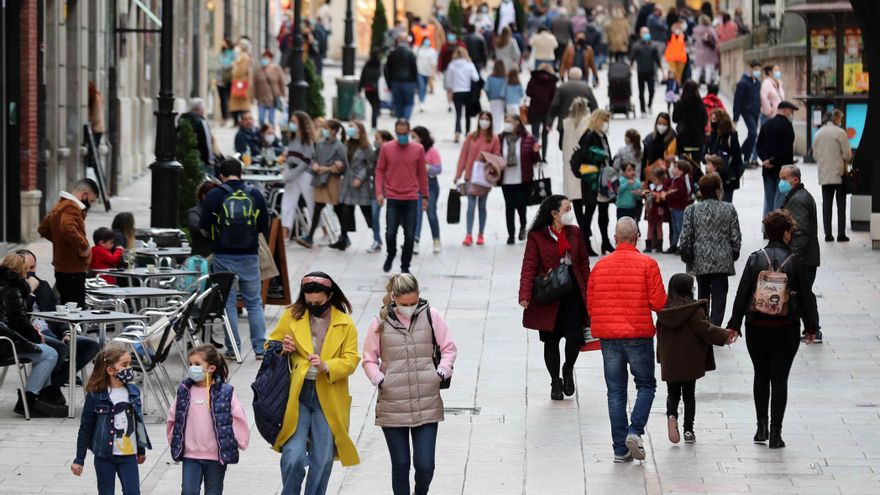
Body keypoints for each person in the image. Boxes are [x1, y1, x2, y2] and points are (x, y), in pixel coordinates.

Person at [726, 210, 819, 449]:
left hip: (756, 326)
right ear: (786, 233)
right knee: (779, 380)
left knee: (760, 374)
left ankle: (761, 427)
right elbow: (808, 298)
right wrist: (811, 327)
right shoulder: (795, 261)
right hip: (786, 327)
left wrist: (734, 324)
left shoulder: (756, 259)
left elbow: (742, 293)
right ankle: (776, 434)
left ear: (768, 232)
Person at [362, 273, 457, 495]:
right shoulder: (379, 322)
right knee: (401, 465)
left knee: (425, 466)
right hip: (393, 404)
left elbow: (449, 348)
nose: (409, 307)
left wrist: (442, 371)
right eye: (404, 304)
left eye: (413, 303)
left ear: (419, 295)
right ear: (393, 297)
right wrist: (378, 378)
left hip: (427, 401)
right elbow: (368, 358)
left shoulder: (432, 316)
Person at [266, 272, 360, 494]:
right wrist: (283, 349)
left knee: (323, 458)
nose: (314, 305)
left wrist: (327, 365)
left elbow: (352, 360)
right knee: (293, 455)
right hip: (296, 394)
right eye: (309, 302)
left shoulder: (344, 324)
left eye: (318, 302)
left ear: (329, 296)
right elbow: (271, 344)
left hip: (328, 395)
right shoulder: (292, 315)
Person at [588, 217, 666, 462]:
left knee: (615, 392)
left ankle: (619, 449)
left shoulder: (600, 266)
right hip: (638, 335)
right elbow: (659, 303)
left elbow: (591, 304)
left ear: (614, 239)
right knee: (646, 385)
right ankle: (635, 431)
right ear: (638, 237)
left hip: (609, 338)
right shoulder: (648, 264)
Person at [519, 195, 591, 400]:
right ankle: (555, 381)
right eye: (567, 209)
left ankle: (568, 369)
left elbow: (584, 264)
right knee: (551, 341)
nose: (570, 212)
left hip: (573, 293)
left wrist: (591, 290)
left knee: (576, 337)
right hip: (549, 294)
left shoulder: (575, 233)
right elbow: (529, 266)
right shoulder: (536, 237)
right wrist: (524, 294)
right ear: (554, 213)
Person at [200, 158, 270, 359]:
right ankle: (259, 348)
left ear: (221, 175)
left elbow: (205, 224)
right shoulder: (254, 194)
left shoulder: (214, 195)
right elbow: (264, 224)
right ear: (241, 173)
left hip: (223, 255)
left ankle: (233, 349)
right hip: (249, 254)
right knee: (254, 302)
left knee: (228, 303)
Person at [657, 273, 737, 444]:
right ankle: (688, 430)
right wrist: (724, 336)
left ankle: (672, 416)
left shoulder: (664, 310)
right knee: (689, 395)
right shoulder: (693, 309)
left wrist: (661, 357)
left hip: (670, 361)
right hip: (689, 361)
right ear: (688, 289)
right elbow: (705, 330)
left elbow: (660, 335)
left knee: (672, 394)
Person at [17, 249, 101, 407]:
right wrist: (29, 292)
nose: (30, 272)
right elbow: (19, 317)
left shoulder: (43, 285)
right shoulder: (14, 289)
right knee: (61, 349)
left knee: (91, 346)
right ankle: (48, 392)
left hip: (52, 332)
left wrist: (66, 331)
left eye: (33, 267)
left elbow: (56, 313)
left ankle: (50, 389)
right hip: (31, 335)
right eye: (26, 269)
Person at [166, 344, 249, 495]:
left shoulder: (225, 392)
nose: (192, 368)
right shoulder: (185, 391)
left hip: (216, 457)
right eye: (190, 364)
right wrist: (174, 440)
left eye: (197, 364)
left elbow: (239, 417)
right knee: (188, 491)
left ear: (211, 368)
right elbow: (173, 417)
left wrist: (239, 441)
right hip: (190, 455)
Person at [71, 345, 152, 491]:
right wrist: (79, 459)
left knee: (133, 491)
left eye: (129, 364)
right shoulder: (96, 395)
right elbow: (85, 427)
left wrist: (141, 449)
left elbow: (138, 422)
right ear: (110, 370)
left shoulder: (133, 391)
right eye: (124, 365)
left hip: (129, 455)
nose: (129, 369)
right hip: (104, 456)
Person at [0, 254, 66, 417]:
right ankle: (27, 402)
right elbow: (20, 323)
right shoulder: (12, 291)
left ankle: (44, 399)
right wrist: (36, 337)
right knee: (50, 353)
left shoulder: (7, 287)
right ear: (21, 270)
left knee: (52, 348)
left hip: (7, 339)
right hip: (5, 344)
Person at [679, 174, 742, 325]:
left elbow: (685, 235)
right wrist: (735, 250)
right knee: (720, 293)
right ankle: (715, 324)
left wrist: (685, 252)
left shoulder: (691, 210)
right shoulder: (728, 208)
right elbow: (735, 235)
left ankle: (703, 321)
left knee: (703, 291)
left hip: (700, 258)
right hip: (722, 258)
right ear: (717, 190)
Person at [375, 119, 429, 273]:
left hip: (411, 198)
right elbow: (379, 171)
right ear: (395, 133)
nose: (402, 137)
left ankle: (405, 266)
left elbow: (422, 174)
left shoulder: (418, 149)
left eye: (405, 134)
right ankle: (391, 253)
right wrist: (379, 192)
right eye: (399, 134)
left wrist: (425, 196)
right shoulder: (386, 148)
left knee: (410, 235)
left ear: (409, 132)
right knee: (390, 233)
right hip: (393, 197)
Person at [38, 178, 98, 308]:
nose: (90, 205)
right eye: (91, 200)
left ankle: (68, 329)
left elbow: (43, 228)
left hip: (63, 267)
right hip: (73, 268)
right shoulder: (72, 207)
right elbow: (67, 228)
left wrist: (62, 242)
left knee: (67, 306)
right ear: (85, 194)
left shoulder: (60, 205)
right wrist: (84, 246)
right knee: (76, 310)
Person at [779, 164, 821, 342]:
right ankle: (811, 330)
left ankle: (813, 330)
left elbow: (800, 231)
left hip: (803, 258)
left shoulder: (799, 199)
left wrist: (792, 259)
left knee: (803, 295)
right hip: (805, 257)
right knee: (803, 294)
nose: (780, 182)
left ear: (795, 180)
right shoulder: (796, 196)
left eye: (783, 179)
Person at [454, 111, 501, 247]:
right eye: (482, 118)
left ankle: (481, 234)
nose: (484, 121)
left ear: (491, 122)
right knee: (470, 205)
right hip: (470, 176)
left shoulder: (494, 138)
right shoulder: (471, 136)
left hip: (485, 177)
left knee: (482, 206)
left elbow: (496, 156)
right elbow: (463, 155)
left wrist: (488, 161)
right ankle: (468, 234)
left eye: (487, 119)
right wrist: (458, 174)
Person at [570, 110, 613, 255]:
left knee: (604, 212)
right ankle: (585, 244)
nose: (607, 123)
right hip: (592, 179)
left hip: (604, 179)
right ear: (598, 120)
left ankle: (605, 242)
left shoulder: (603, 136)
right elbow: (585, 156)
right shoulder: (588, 136)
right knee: (589, 211)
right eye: (605, 120)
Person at [301, 119, 349, 249]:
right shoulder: (320, 144)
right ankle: (310, 237)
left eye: (326, 128)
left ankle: (344, 236)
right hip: (319, 179)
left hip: (332, 181)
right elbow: (314, 158)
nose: (323, 131)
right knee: (318, 207)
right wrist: (315, 165)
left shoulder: (339, 146)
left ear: (333, 131)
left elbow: (343, 166)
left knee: (337, 208)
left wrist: (328, 169)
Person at [499, 114, 540, 244]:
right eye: (505, 121)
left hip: (523, 179)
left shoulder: (528, 138)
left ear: (517, 123)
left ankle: (523, 228)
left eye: (509, 121)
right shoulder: (500, 139)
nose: (507, 124)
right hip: (506, 179)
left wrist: (535, 152)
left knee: (521, 206)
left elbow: (535, 160)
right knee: (509, 207)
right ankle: (510, 234)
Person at [812, 109, 852, 242]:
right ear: (836, 119)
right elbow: (847, 154)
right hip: (839, 174)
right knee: (841, 204)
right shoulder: (840, 132)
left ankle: (828, 234)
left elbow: (815, 155)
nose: (841, 121)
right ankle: (841, 234)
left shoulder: (818, 133)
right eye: (840, 118)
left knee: (826, 204)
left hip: (825, 174)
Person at [337, 121, 376, 251]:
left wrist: (361, 177)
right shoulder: (346, 145)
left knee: (367, 212)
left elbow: (371, 165)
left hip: (361, 184)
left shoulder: (366, 147)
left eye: (352, 127)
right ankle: (343, 238)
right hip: (347, 183)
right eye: (349, 127)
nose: (349, 129)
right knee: (345, 210)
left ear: (359, 130)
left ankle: (377, 237)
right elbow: (344, 162)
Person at [757, 101, 797, 217]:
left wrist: (766, 160)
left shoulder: (766, 124)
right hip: (783, 171)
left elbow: (759, 146)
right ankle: (777, 228)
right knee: (780, 200)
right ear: (785, 111)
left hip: (767, 170)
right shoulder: (788, 126)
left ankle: (767, 229)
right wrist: (773, 161)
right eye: (791, 112)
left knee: (768, 200)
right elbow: (786, 150)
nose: (792, 114)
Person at [282, 111, 317, 240]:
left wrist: (292, 174)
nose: (291, 124)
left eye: (294, 122)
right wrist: (287, 172)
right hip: (292, 174)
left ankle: (321, 229)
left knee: (311, 203)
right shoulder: (291, 138)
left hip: (305, 175)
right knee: (287, 203)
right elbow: (288, 157)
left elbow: (306, 161)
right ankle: (284, 232)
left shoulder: (307, 140)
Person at [562, 97, 591, 244]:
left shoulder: (566, 123)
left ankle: (583, 228)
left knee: (577, 201)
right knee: (588, 200)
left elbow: (561, 144)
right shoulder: (588, 122)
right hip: (584, 165)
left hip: (570, 165)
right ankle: (586, 230)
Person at [547, 67, 598, 147]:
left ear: (568, 76)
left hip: (564, 123)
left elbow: (554, 106)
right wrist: (595, 123)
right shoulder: (586, 88)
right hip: (581, 123)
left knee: (564, 146)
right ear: (580, 76)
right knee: (580, 146)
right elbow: (594, 106)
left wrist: (549, 123)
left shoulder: (562, 88)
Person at [411, 126, 443, 254]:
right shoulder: (411, 150)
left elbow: (439, 169)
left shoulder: (432, 151)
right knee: (417, 215)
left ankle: (436, 239)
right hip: (416, 186)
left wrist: (427, 167)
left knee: (431, 214)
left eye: (414, 137)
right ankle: (415, 241)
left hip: (431, 186)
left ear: (422, 137)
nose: (411, 140)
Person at [703, 109, 743, 202]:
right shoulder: (712, 135)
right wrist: (707, 157)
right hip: (713, 176)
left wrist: (718, 158)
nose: (713, 122)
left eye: (715, 119)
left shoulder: (731, 136)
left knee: (726, 203)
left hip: (727, 177)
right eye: (711, 119)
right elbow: (704, 153)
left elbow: (737, 157)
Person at [445, 47, 480, 142]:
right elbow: (476, 78)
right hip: (467, 91)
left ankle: (457, 132)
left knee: (458, 114)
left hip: (457, 92)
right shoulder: (469, 64)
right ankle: (467, 132)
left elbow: (448, 81)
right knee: (467, 115)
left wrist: (451, 88)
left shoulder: (451, 65)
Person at [733, 61, 763, 168]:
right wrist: (735, 117)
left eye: (759, 70)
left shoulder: (758, 83)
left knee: (753, 135)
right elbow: (737, 100)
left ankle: (746, 158)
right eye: (756, 69)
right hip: (747, 112)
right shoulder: (743, 83)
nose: (757, 72)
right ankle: (742, 151)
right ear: (750, 69)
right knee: (753, 133)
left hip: (756, 111)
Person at [368, 130, 394, 253]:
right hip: (377, 189)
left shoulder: (394, 152)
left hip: (393, 188)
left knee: (395, 217)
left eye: (377, 138)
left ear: (384, 140)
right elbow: (371, 170)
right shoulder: (374, 154)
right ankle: (377, 240)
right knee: (374, 215)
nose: (375, 141)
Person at [525, 64, 558, 161]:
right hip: (547, 111)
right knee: (545, 135)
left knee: (535, 134)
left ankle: (535, 155)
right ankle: (544, 157)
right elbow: (554, 97)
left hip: (534, 109)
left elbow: (528, 92)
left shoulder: (534, 78)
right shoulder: (552, 81)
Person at [385, 36, 419, 120]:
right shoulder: (410, 54)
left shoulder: (392, 54)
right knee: (409, 103)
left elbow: (387, 70)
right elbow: (415, 69)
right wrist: (415, 83)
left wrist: (389, 83)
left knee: (398, 103)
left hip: (395, 82)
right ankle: (405, 121)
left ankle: (400, 120)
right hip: (408, 83)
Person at [672, 81, 708, 163]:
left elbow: (674, 119)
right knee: (696, 166)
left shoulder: (680, 103)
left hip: (684, 141)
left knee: (683, 166)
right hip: (698, 141)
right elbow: (705, 121)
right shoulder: (701, 104)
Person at [631, 28, 663, 114]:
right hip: (640, 71)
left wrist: (662, 71)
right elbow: (632, 58)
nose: (645, 34)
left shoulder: (653, 46)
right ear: (640, 34)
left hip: (650, 71)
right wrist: (630, 67)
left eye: (647, 32)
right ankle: (642, 109)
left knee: (651, 90)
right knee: (641, 92)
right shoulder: (637, 46)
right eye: (643, 32)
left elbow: (657, 59)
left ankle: (649, 105)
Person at [179, 98, 217, 170]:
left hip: (183, 162)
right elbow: (207, 143)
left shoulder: (182, 120)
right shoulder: (201, 122)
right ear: (200, 109)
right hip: (200, 162)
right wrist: (209, 161)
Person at [663, 160, 691, 254]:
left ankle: (683, 246)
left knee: (680, 228)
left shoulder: (680, 180)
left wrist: (667, 196)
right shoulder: (675, 179)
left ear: (680, 171)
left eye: (675, 168)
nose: (672, 169)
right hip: (674, 207)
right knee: (675, 228)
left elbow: (678, 192)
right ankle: (673, 245)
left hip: (679, 208)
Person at [187, 182, 219, 258]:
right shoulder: (195, 211)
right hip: (200, 258)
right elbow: (194, 224)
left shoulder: (220, 211)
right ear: (204, 196)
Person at [642, 113, 678, 178]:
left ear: (668, 125)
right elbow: (645, 159)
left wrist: (674, 158)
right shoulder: (649, 139)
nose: (661, 126)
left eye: (664, 124)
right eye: (659, 123)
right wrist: (643, 178)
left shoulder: (674, 138)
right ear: (656, 124)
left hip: (668, 174)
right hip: (653, 174)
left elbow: (680, 155)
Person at [229, 39, 253, 126]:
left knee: (242, 104)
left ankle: (242, 121)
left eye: (239, 45)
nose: (237, 47)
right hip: (238, 82)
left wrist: (234, 67)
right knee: (236, 104)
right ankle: (237, 121)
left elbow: (242, 70)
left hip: (241, 83)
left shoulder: (244, 56)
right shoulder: (241, 55)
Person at [645, 167, 669, 253]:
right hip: (650, 209)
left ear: (660, 179)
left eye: (655, 179)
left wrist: (657, 196)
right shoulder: (650, 187)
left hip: (659, 209)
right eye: (652, 179)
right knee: (650, 226)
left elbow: (664, 198)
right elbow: (646, 195)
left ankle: (659, 246)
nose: (653, 181)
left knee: (659, 227)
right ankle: (648, 245)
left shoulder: (663, 188)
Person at [691, 16, 719, 85]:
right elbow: (716, 39)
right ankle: (708, 82)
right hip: (708, 51)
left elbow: (693, 40)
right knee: (708, 68)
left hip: (698, 50)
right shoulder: (710, 29)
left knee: (698, 68)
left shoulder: (696, 29)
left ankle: (695, 82)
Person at [359, 49, 383, 129]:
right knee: (375, 107)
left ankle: (374, 123)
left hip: (368, 89)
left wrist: (359, 89)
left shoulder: (367, 65)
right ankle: (374, 124)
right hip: (377, 90)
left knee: (374, 107)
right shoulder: (380, 66)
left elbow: (362, 77)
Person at [485, 61, 508, 135]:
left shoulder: (490, 77)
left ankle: (496, 134)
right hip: (502, 100)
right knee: (500, 118)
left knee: (494, 118)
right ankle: (499, 134)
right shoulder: (505, 78)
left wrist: (489, 97)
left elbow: (486, 89)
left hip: (493, 100)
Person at [415, 38, 438, 112]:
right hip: (419, 71)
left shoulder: (432, 51)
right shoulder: (419, 50)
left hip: (428, 72)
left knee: (424, 88)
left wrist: (433, 73)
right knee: (421, 87)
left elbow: (434, 63)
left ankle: (422, 101)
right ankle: (421, 103)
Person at [217, 39, 235, 125]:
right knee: (222, 99)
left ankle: (229, 116)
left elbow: (230, 64)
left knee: (228, 98)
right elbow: (218, 63)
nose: (222, 43)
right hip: (220, 79)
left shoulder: (232, 53)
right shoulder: (222, 53)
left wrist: (225, 64)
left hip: (229, 79)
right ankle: (224, 117)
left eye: (224, 42)